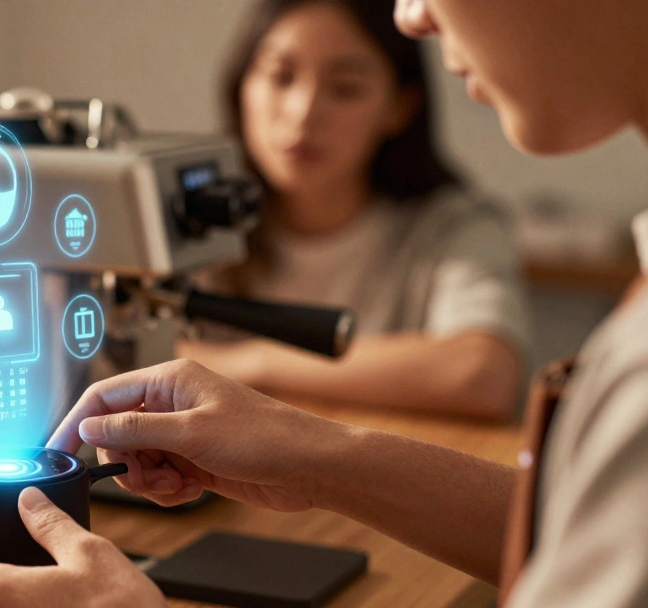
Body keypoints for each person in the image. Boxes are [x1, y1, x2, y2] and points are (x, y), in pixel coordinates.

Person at [0, 0, 648, 608]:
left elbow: (489, 378)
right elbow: (593, 529)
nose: (413, 14)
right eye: (279, 75)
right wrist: (316, 457)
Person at [180, 0, 531, 421]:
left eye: (345, 88)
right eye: (280, 76)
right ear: (241, 86)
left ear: (400, 106)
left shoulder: (453, 224)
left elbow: (482, 374)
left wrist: (250, 363)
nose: (303, 112)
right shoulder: (189, 217)